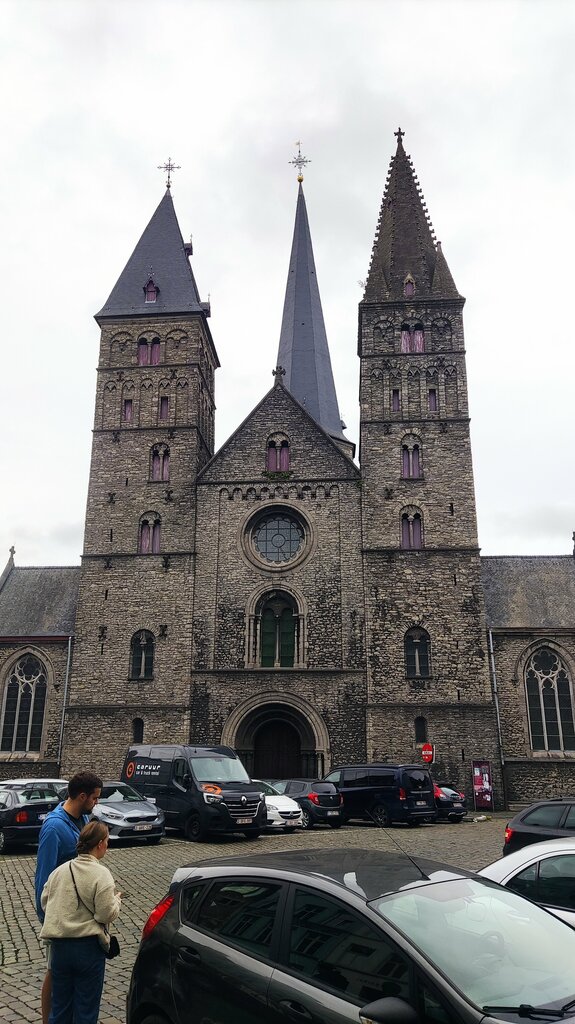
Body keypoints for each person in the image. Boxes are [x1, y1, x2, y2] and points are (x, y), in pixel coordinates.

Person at [35, 771, 103, 1024]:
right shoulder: (53, 827)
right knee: (55, 974)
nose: (97, 802)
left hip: (80, 916)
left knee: (62, 975)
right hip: (59, 917)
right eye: (95, 798)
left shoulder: (83, 818)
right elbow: (43, 876)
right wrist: (47, 920)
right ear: (82, 796)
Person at [40, 820, 121, 1024]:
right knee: (85, 1010)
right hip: (87, 949)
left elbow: (45, 902)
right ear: (101, 843)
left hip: (60, 948)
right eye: (107, 841)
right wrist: (116, 902)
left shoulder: (59, 871)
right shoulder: (101, 874)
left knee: (59, 1008)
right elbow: (104, 914)